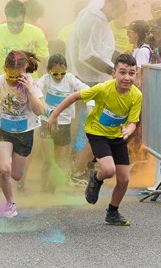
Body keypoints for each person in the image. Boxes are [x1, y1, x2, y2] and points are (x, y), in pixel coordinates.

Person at [47, 53, 142, 226]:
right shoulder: (103, 88)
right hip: (97, 132)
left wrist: (127, 131)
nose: (127, 77)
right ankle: (96, 179)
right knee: (108, 170)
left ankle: (112, 212)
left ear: (136, 74)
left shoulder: (136, 95)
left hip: (118, 136)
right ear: (114, 74)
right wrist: (54, 114)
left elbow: (133, 122)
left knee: (124, 180)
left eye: (131, 73)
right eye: (122, 72)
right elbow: (74, 97)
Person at [0, 50, 47, 218]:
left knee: (16, 175)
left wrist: (29, 91)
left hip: (25, 132)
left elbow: (39, 110)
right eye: (9, 75)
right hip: (3, 130)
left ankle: (5, 177)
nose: (12, 79)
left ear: (24, 69)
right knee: (4, 169)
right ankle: (10, 202)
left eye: (16, 76)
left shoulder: (31, 83)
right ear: (5, 68)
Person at [38, 54, 88, 190]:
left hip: (64, 124)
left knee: (59, 161)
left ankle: (52, 188)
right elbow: (35, 89)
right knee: (48, 160)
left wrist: (90, 102)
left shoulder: (70, 79)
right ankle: (43, 188)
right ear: (49, 70)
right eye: (55, 73)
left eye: (62, 73)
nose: (59, 76)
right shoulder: (46, 79)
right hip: (46, 122)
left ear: (66, 70)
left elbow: (85, 89)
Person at [66, 0, 126, 85]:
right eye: (117, 13)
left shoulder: (101, 20)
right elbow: (87, 56)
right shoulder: (94, 20)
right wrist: (113, 71)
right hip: (86, 80)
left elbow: (99, 49)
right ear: (108, 5)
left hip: (93, 79)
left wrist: (120, 57)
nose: (116, 17)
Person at [0, 0, 49, 79]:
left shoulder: (37, 33)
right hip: (3, 83)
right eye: (11, 23)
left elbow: (44, 62)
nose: (15, 27)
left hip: (28, 83)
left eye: (19, 23)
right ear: (6, 18)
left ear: (24, 18)